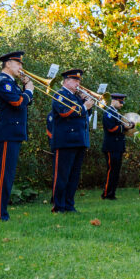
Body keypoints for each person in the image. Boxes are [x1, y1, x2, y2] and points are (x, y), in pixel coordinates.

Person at [0, 51, 34, 221]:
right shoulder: (4, 83)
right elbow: (18, 103)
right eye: (19, 64)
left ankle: (1, 212)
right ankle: (0, 214)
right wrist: (29, 91)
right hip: (8, 133)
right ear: (8, 64)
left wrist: (25, 89)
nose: (21, 68)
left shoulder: (11, 83)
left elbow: (23, 102)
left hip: (13, 133)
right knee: (4, 176)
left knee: (8, 175)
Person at [50, 69, 94, 213]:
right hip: (65, 141)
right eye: (75, 81)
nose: (78, 84)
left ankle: (69, 205)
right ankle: (58, 206)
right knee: (62, 176)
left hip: (78, 141)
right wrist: (83, 106)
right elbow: (65, 112)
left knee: (74, 177)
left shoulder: (75, 97)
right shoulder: (60, 94)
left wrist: (87, 103)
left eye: (78, 81)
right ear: (66, 81)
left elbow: (83, 115)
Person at [101, 92, 131, 200]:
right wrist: (124, 127)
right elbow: (111, 128)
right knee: (111, 171)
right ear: (113, 100)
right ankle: (106, 194)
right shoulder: (108, 112)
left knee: (116, 171)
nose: (122, 104)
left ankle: (111, 193)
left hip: (118, 146)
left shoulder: (117, 113)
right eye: (120, 102)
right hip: (111, 146)